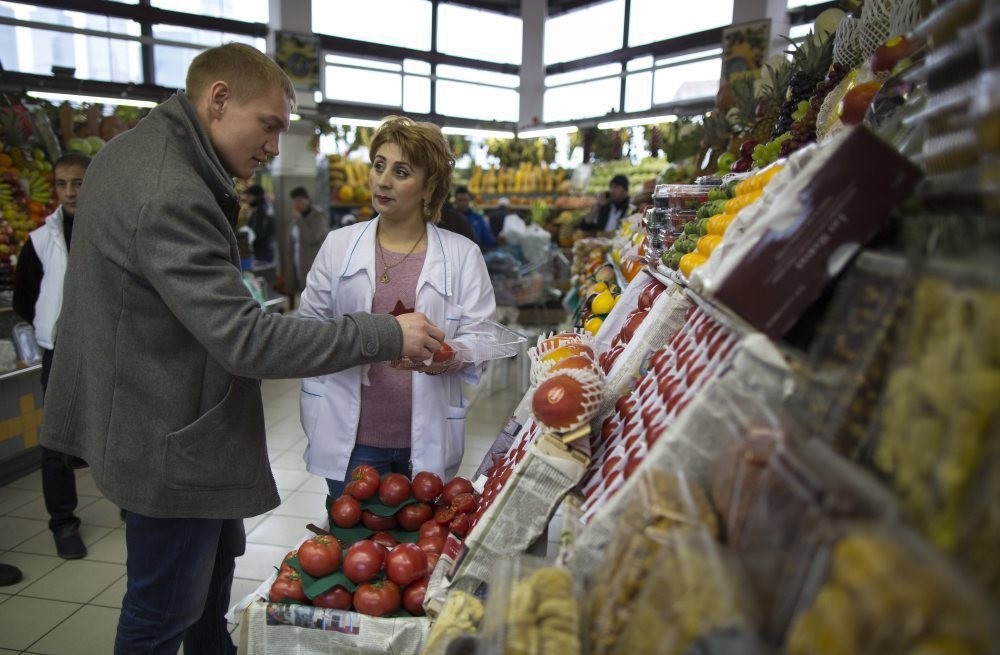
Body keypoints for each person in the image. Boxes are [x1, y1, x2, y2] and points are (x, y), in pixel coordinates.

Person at [38, 43, 444, 655]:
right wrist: (386, 333)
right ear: (220, 99)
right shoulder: (170, 189)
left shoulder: (134, 152)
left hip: (164, 414)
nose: (277, 147)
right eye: (272, 125)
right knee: (162, 612)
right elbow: (247, 340)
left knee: (205, 594)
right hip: (172, 436)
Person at [298, 115, 496, 499]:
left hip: (425, 438)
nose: (383, 180)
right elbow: (307, 330)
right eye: (379, 166)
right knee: (355, 552)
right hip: (352, 436)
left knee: (417, 553)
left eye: (401, 171)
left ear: (430, 187)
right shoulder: (339, 246)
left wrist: (448, 355)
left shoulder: (462, 255)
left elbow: (484, 338)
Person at [11, 153, 92, 560]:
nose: (70, 192)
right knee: (57, 440)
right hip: (58, 353)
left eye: (77, 182)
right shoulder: (41, 240)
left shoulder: (110, 230)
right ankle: (63, 523)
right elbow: (26, 299)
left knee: (116, 432)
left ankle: (132, 508)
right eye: (62, 184)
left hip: (105, 349)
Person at [288, 186, 329, 293]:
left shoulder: (318, 216)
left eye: (299, 200)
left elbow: (312, 238)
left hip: (312, 264)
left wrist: (299, 220)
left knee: (311, 294)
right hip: (298, 261)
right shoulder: (297, 217)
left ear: (307, 200)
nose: (297, 204)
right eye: (295, 201)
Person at [453, 185, 496, 249]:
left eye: (465, 200)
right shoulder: (451, 218)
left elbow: (488, 239)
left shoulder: (478, 219)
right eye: (460, 200)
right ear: (455, 201)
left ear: (469, 200)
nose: (462, 203)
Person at [244, 183, 275, 263]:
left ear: (255, 196)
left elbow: (257, 234)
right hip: (265, 251)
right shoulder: (263, 209)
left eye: (249, 195)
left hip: (261, 253)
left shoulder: (260, 212)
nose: (247, 198)